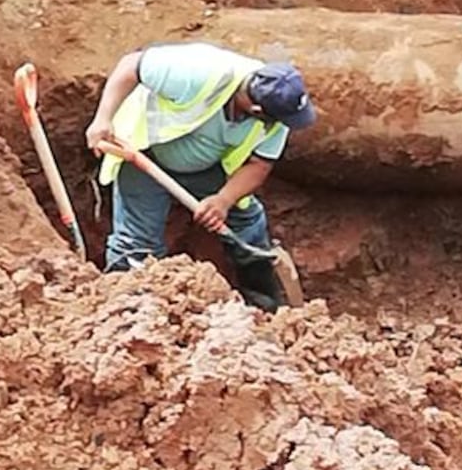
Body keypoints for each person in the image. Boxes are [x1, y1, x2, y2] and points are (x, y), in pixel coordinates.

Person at [85, 41, 316, 310]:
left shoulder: (277, 110)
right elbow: (130, 65)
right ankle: (125, 313)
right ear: (256, 111)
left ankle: (265, 308)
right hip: (145, 156)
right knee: (137, 244)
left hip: (207, 168)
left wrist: (223, 200)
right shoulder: (199, 72)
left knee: (248, 226)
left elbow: (259, 165)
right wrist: (103, 119)